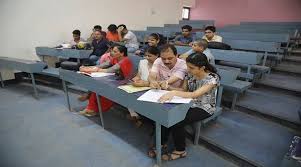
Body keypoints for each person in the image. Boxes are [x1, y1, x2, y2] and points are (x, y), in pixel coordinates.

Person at [155, 52, 220, 161]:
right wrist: (168, 87)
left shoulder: (212, 78)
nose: (188, 70)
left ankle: (181, 150)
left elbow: (195, 94)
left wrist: (174, 93)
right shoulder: (190, 73)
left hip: (204, 107)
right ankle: (161, 142)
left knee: (177, 121)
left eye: (192, 68)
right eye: (187, 66)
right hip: (188, 102)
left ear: (202, 67)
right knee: (167, 115)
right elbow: (185, 91)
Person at [79, 45, 133, 116]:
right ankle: (91, 108)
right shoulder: (115, 58)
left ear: (122, 53)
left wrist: (90, 70)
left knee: (101, 88)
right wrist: (88, 67)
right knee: (96, 85)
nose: (112, 53)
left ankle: (91, 107)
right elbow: (102, 65)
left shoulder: (125, 60)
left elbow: (110, 70)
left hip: (126, 82)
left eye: (115, 51)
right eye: (112, 51)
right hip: (116, 79)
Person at [128, 46, 160, 127]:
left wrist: (144, 83)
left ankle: (142, 118)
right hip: (140, 86)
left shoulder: (160, 64)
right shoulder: (142, 62)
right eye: (145, 55)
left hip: (153, 89)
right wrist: (135, 79)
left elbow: (159, 82)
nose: (147, 58)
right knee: (127, 95)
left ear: (157, 55)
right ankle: (135, 116)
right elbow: (138, 75)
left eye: (149, 56)